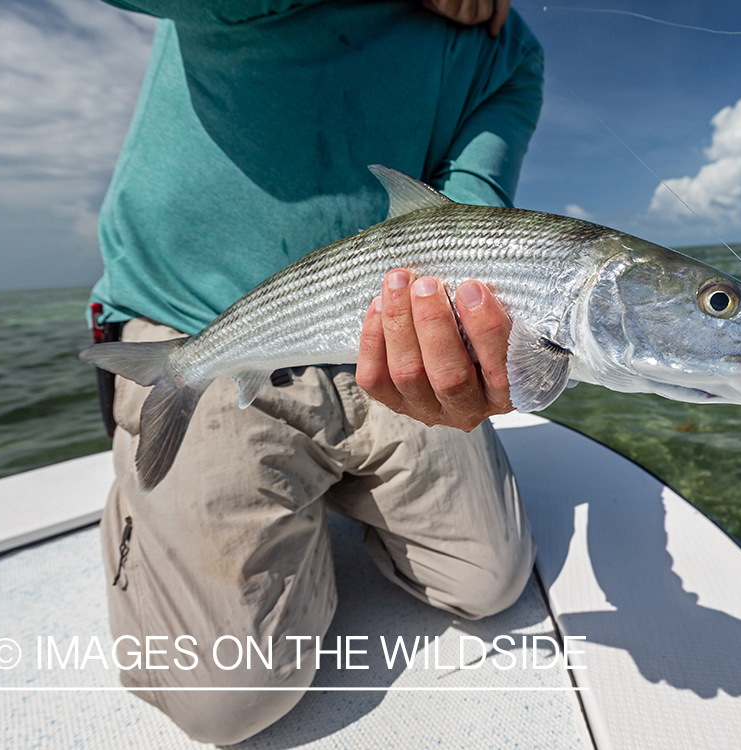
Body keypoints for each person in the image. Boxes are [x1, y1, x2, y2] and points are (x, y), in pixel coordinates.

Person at [88, 0, 544, 743]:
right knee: (226, 701)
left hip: (375, 338)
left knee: (487, 582)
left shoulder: (510, 51)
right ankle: (150, 495)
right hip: (196, 323)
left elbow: (470, 215)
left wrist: (454, 334)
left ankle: (325, 486)